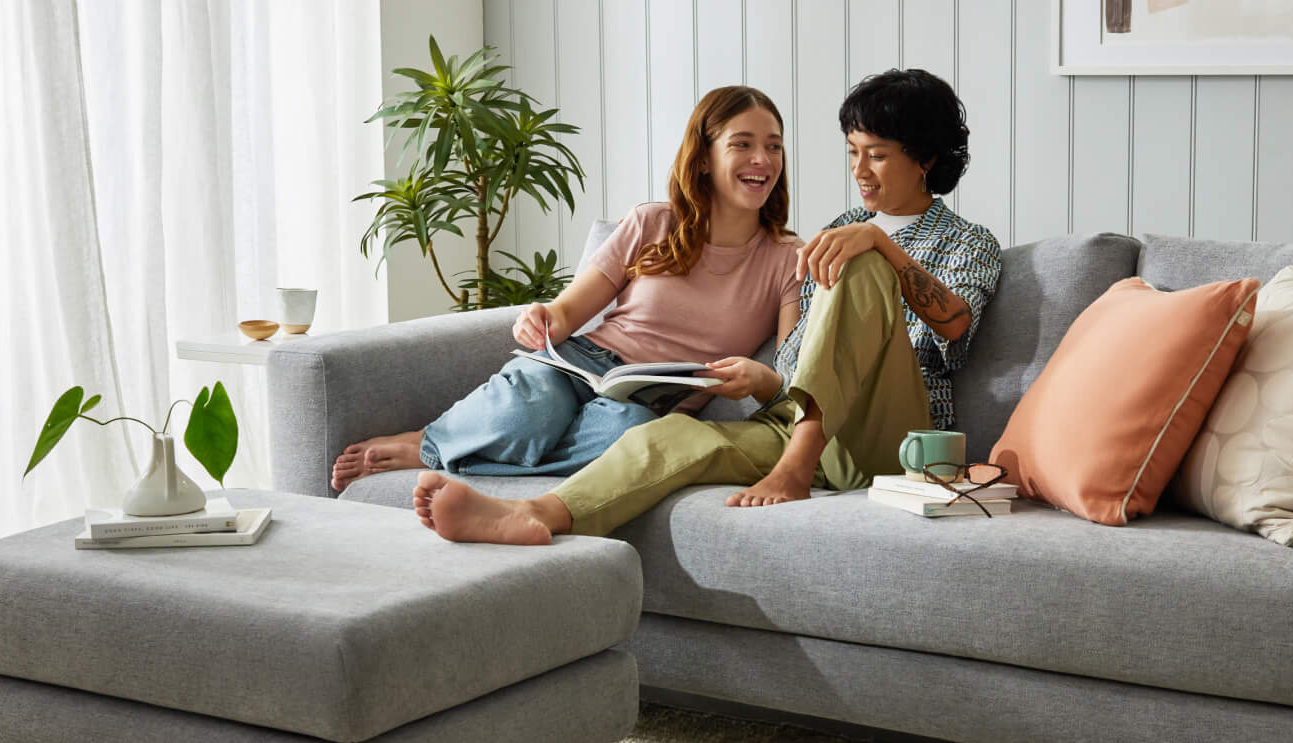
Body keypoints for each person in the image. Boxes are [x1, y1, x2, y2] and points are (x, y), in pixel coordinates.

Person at [409, 68, 1003, 544]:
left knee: (864, 262)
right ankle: (536, 513)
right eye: (852, 152)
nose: (859, 171)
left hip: (890, 431)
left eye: (876, 154)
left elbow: (955, 326)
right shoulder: (837, 229)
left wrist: (880, 245)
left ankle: (796, 467)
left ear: (925, 158)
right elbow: (796, 361)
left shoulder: (966, 241)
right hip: (799, 421)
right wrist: (765, 383)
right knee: (666, 436)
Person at [330, 86, 802, 491]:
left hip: (653, 399)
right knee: (527, 412)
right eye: (742, 144)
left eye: (774, 147)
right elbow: (566, 313)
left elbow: (790, 376)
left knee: (627, 442)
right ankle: (435, 442)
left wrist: (759, 379)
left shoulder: (788, 259)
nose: (762, 160)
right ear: (703, 159)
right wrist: (539, 319)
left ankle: (442, 449)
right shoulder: (651, 223)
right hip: (582, 362)